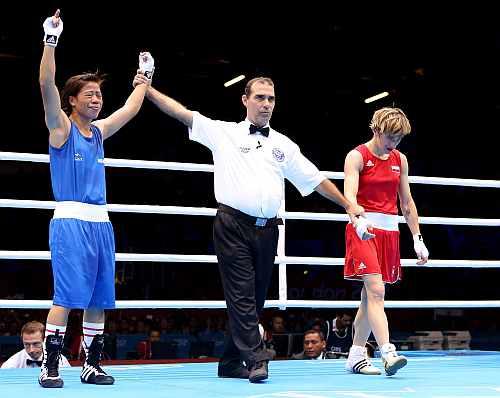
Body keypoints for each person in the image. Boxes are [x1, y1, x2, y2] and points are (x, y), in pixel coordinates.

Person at [141, 76, 366, 382]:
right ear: (245, 100)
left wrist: (348, 205)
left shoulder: (283, 144)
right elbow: (182, 113)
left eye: (271, 99)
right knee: (242, 295)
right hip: (232, 225)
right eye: (260, 97)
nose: (266, 104)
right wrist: (147, 88)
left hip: (268, 230)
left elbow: (314, 180)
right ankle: (257, 358)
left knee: (254, 299)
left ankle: (231, 362)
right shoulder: (224, 132)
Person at [38, 10, 152, 388]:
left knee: (99, 298)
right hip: (70, 221)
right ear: (72, 100)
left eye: (100, 94)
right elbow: (45, 83)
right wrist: (50, 40)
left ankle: (91, 365)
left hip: (101, 222)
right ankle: (50, 366)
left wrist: (144, 78)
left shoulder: (100, 133)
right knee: (66, 296)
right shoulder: (61, 127)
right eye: (90, 94)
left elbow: (131, 109)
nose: (98, 99)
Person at [343, 107, 429, 376]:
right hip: (363, 230)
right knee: (377, 292)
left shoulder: (400, 159)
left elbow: (406, 202)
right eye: (391, 137)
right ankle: (388, 353)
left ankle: (356, 356)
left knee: (369, 298)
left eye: (399, 139)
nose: (394, 143)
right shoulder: (356, 156)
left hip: (390, 232)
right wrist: (358, 221)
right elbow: (350, 196)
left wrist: (417, 238)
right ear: (376, 130)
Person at [1, 321, 70, 369]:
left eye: (36, 344)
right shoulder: (14, 361)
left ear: (45, 341)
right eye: (27, 344)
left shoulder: (60, 361)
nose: (31, 350)